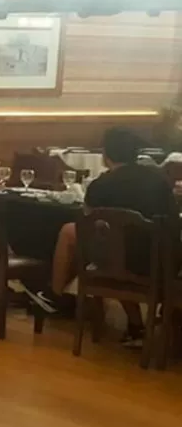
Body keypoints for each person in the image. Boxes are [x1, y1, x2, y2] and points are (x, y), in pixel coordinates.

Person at [46, 127, 176, 346]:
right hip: (164, 260)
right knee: (120, 249)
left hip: (122, 264)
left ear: (106, 154)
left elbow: (86, 222)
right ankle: (137, 325)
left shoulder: (101, 185)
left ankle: (57, 297)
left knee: (73, 233)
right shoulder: (158, 180)